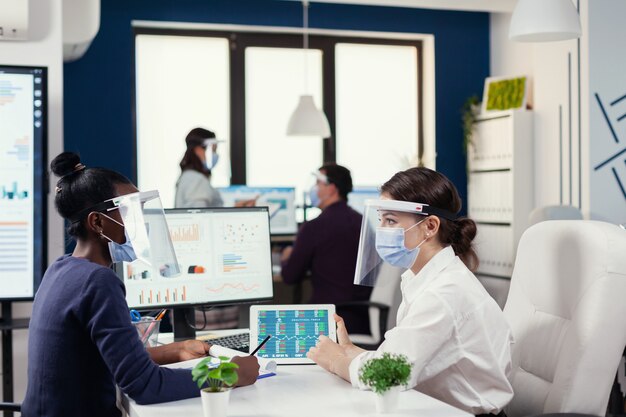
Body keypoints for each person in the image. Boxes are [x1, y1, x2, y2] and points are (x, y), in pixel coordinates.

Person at [22, 152, 259, 417]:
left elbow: (110, 360)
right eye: (130, 212)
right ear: (97, 222)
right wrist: (231, 375)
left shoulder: (60, 269)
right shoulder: (98, 281)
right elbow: (144, 386)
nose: (142, 225)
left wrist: (177, 349)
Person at [307, 167, 513, 416]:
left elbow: (390, 374)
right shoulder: (425, 278)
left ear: (430, 226)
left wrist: (336, 361)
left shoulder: (445, 293)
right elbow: (407, 358)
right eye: (381, 219)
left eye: (391, 220)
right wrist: (350, 351)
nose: (382, 229)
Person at [280, 163, 373, 334]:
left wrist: (286, 257)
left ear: (331, 188)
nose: (313, 189)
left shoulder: (315, 226)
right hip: (361, 319)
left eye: (317, 183)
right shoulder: (362, 222)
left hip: (327, 321)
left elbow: (290, 276)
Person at [175, 127, 224, 209]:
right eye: (213, 150)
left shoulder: (190, 176)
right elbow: (198, 218)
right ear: (198, 150)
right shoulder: (196, 180)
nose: (215, 155)